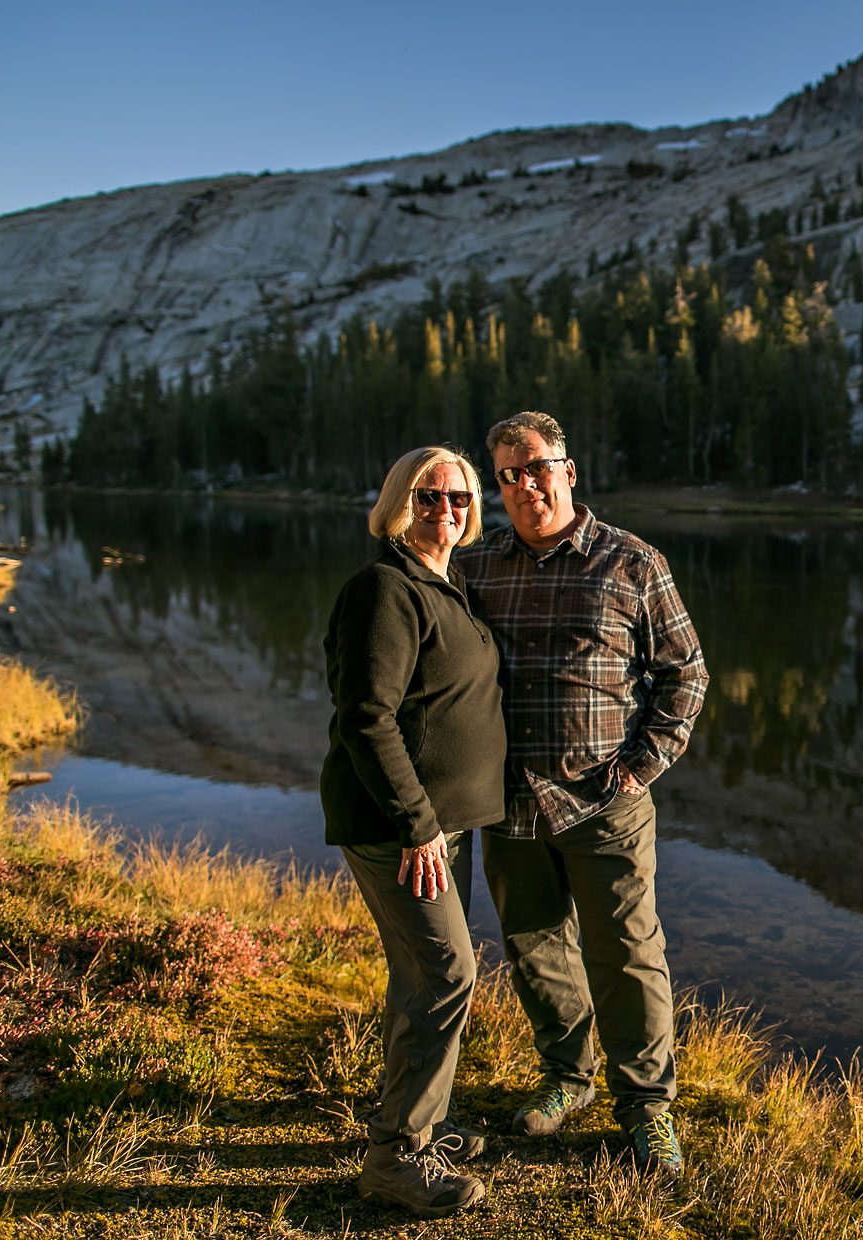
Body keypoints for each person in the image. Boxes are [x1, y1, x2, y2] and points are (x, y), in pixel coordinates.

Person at [459, 410, 708, 1174]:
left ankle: (646, 1108)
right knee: (535, 948)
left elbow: (685, 675)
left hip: (607, 802)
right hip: (508, 802)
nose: (525, 484)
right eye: (507, 474)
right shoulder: (476, 567)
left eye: (537, 467)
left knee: (629, 953)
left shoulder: (632, 562)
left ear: (569, 470)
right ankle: (568, 1078)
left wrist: (640, 768)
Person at [320, 445, 505, 1218]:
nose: (447, 510)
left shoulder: (444, 582)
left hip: (440, 827)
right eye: (429, 496)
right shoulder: (384, 590)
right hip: (403, 829)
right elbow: (367, 718)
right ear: (399, 501)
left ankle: (418, 1124)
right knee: (446, 975)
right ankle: (396, 1158)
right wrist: (419, 825)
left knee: (419, 978)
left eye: (459, 497)